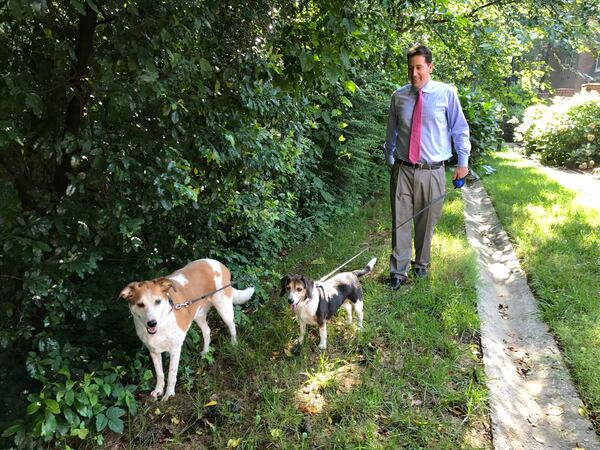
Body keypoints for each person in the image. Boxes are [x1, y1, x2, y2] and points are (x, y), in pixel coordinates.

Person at [384, 44, 471, 290]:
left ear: (430, 67)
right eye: (410, 68)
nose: (414, 74)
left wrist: (462, 163)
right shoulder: (398, 96)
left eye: (419, 67)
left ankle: (420, 265)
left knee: (426, 221)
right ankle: (397, 273)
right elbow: (391, 132)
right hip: (402, 168)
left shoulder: (446, 94)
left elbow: (459, 129)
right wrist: (390, 160)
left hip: (432, 171)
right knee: (400, 221)